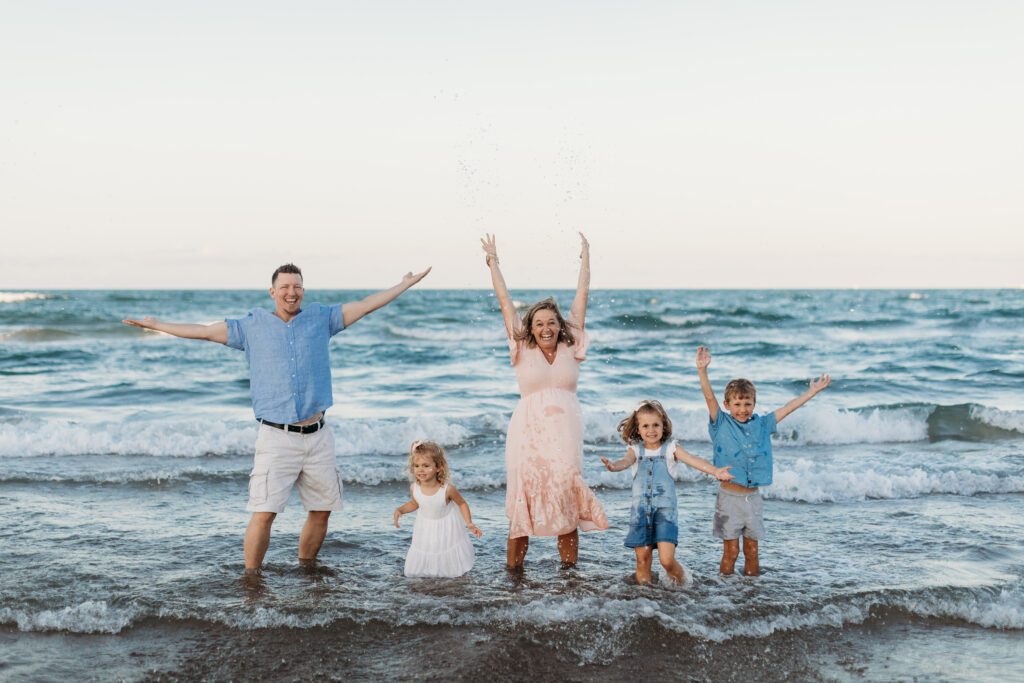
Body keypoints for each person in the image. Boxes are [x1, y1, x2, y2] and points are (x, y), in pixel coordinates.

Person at [123, 263, 430, 575]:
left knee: (322, 510)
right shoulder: (250, 326)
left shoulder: (321, 319)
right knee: (264, 512)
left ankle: (307, 569)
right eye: (284, 287)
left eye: (296, 286)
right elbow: (203, 332)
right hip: (276, 436)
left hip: (318, 435)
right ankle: (251, 578)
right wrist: (158, 325)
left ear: (303, 291)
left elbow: (365, 305)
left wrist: (403, 284)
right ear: (273, 292)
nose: (291, 292)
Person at [481, 232, 609, 571]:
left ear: (560, 325)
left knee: (566, 494)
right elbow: (504, 299)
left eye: (551, 321)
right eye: (539, 323)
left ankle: (569, 574)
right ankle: (514, 576)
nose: (546, 327)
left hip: (566, 434)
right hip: (528, 435)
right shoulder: (521, 347)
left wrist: (586, 258)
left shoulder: (570, 345)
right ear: (531, 327)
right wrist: (494, 261)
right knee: (526, 497)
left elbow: (582, 295)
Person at [695, 346, 831, 576]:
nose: (743, 409)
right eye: (737, 404)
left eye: (747, 404)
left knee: (752, 551)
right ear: (727, 405)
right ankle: (724, 593)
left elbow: (787, 409)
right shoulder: (721, 423)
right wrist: (702, 371)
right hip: (728, 500)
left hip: (753, 499)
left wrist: (812, 392)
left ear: (754, 404)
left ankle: (751, 593)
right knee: (731, 552)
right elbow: (709, 396)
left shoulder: (762, 424)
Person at [601, 400, 734, 585]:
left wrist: (715, 471)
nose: (651, 430)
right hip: (640, 515)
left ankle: (685, 583)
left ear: (664, 426)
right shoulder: (635, 451)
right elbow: (624, 461)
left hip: (665, 515)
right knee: (642, 561)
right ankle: (646, 597)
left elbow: (693, 459)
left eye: (656, 425)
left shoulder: (671, 449)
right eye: (645, 426)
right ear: (638, 429)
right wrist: (613, 466)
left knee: (666, 560)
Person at [393, 440, 482, 578]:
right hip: (425, 527)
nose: (420, 470)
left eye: (425, 465)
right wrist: (400, 510)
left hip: (445, 526)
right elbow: (415, 503)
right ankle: (428, 576)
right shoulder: (414, 488)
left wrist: (469, 523)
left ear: (438, 467)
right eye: (417, 466)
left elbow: (462, 503)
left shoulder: (447, 489)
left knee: (444, 550)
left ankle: (446, 575)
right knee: (428, 550)